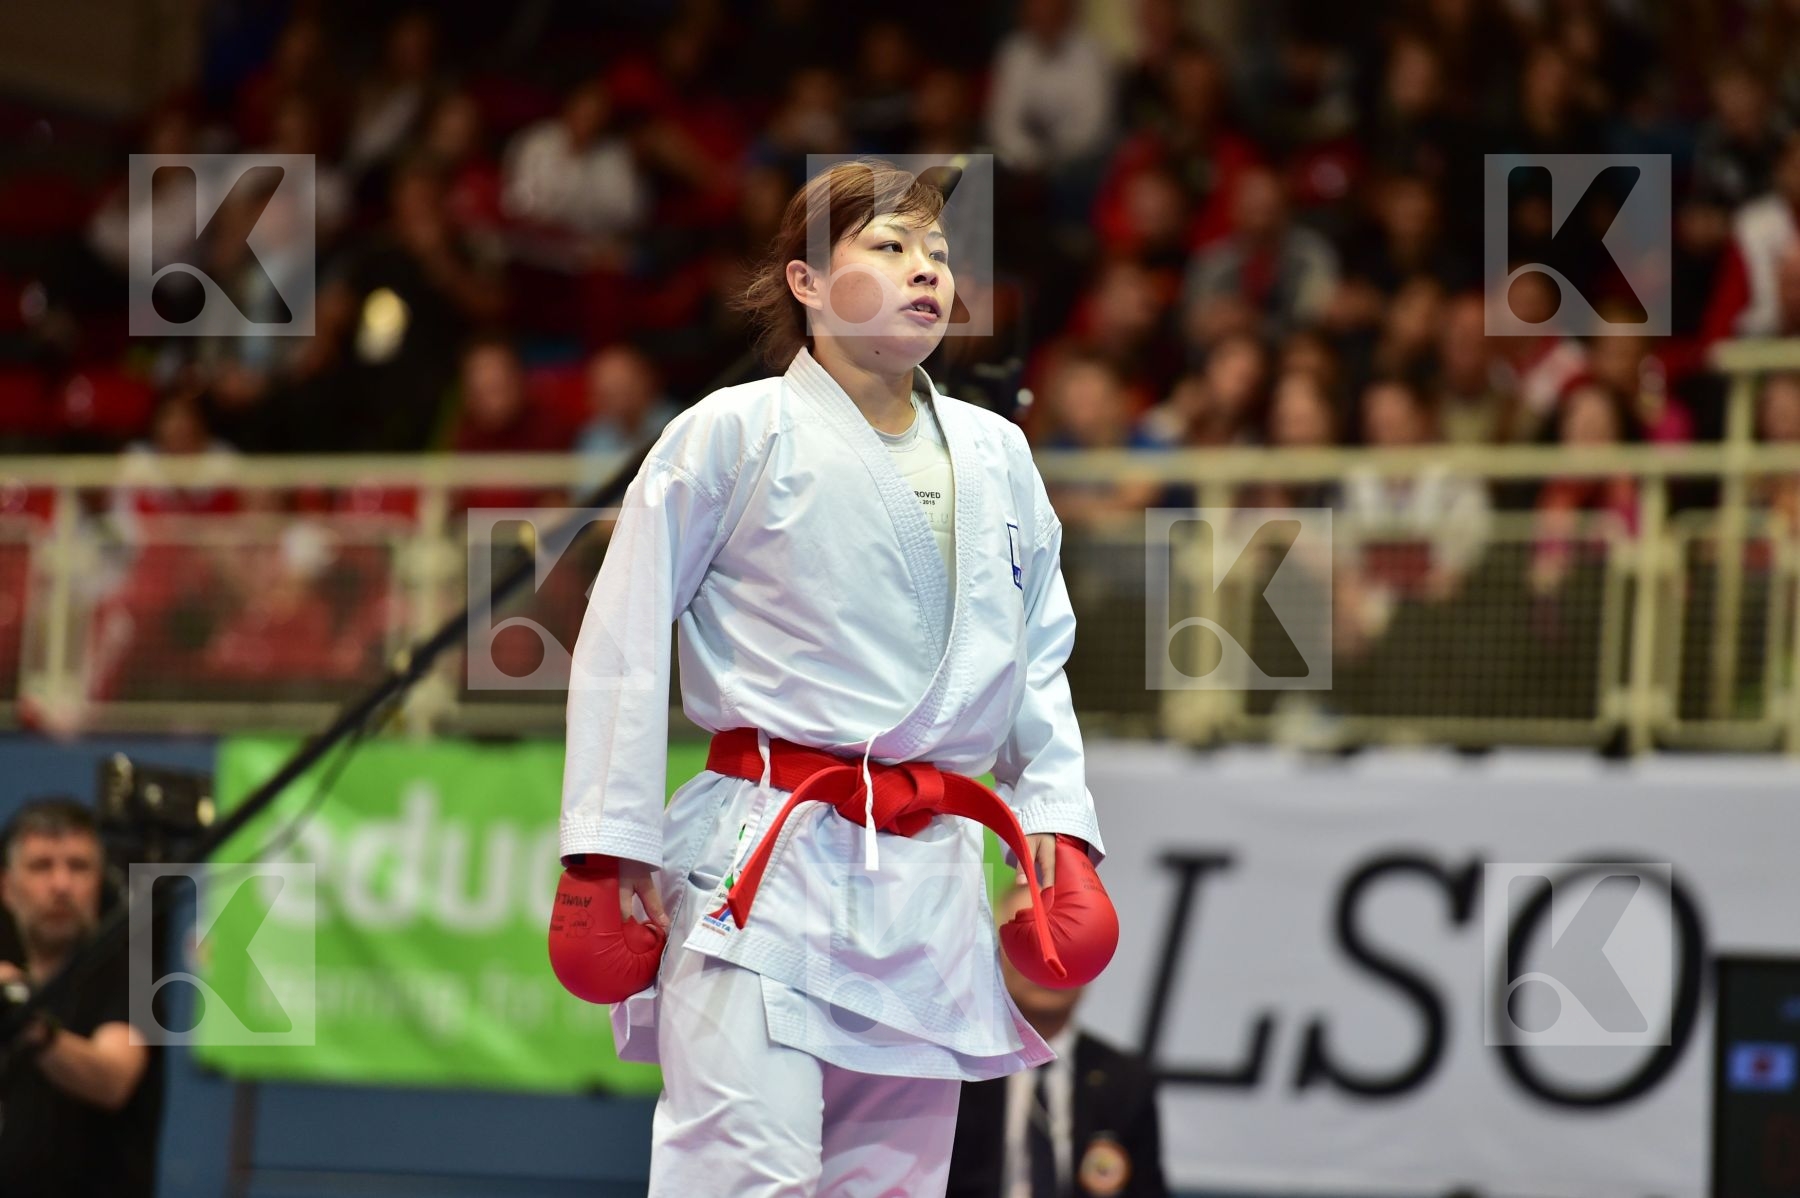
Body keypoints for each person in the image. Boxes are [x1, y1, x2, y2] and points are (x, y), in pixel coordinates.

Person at [556, 158, 1106, 1196]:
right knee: (744, 1176)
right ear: (805, 282)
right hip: (766, 861)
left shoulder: (998, 452)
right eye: (890, 247)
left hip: (927, 882)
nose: (927, 270)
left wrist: (1056, 822)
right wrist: (606, 844)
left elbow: (1037, 652)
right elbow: (622, 632)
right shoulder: (733, 431)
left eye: (937, 252)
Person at [947, 884, 1169, 1198]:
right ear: (993, 951)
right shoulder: (951, 1070)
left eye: (1069, 941)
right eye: (1030, 938)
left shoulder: (1126, 1081)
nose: (1050, 959)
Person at [0, 797, 164, 1198]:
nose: (61, 885)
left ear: (98, 882)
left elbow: (112, 1079)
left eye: (78, 866)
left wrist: (26, 1018)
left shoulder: (134, 976)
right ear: (7, 887)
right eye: (41, 866)